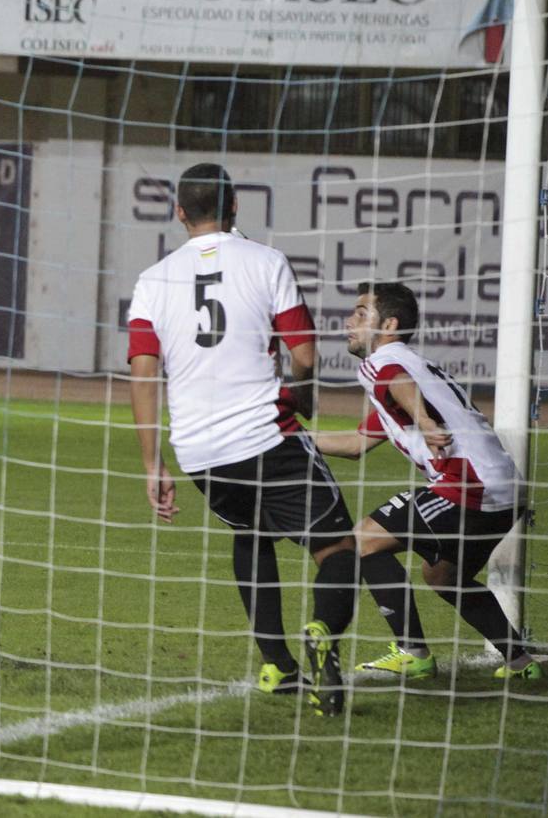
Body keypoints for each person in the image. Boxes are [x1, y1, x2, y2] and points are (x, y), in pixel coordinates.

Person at [127, 162, 364, 716]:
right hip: (267, 435)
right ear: (235, 207)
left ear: (179, 212)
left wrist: (151, 464)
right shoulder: (266, 261)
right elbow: (303, 354)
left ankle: (276, 665)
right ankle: (323, 631)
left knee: (250, 533)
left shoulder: (151, 280)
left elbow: (143, 374)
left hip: (199, 452)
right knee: (339, 550)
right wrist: (302, 400)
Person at [311, 282, 542, 680]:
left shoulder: (382, 362)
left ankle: (412, 652)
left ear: (390, 325)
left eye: (361, 314)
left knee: (363, 541)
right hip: (503, 490)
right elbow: (355, 444)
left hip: (472, 484)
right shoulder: (413, 369)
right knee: (443, 576)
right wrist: (289, 439)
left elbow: (398, 381)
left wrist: (423, 421)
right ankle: (520, 662)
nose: (349, 321)